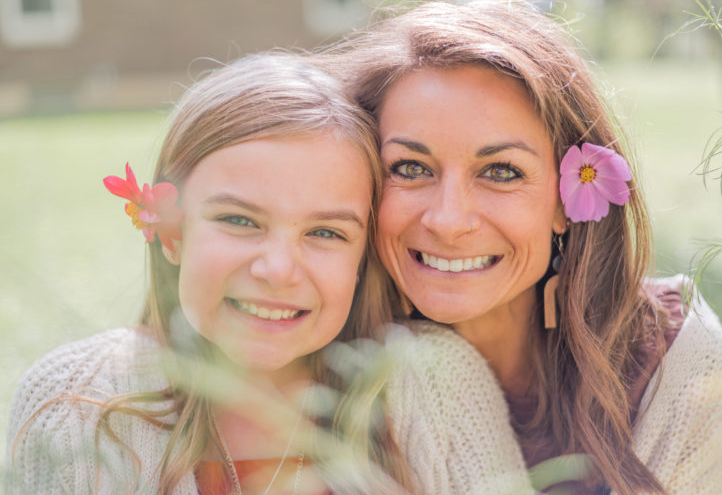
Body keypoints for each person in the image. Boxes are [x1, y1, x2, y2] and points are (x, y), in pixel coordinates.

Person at [323, 0, 722, 495]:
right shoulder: (328, 373)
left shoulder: (671, 351)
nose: (448, 221)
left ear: (568, 201)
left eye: (501, 172)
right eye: (410, 168)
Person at [4, 53, 418, 495]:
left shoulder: (426, 397)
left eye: (324, 232)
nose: (277, 271)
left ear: (362, 257)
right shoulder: (75, 403)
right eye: (240, 221)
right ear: (171, 232)